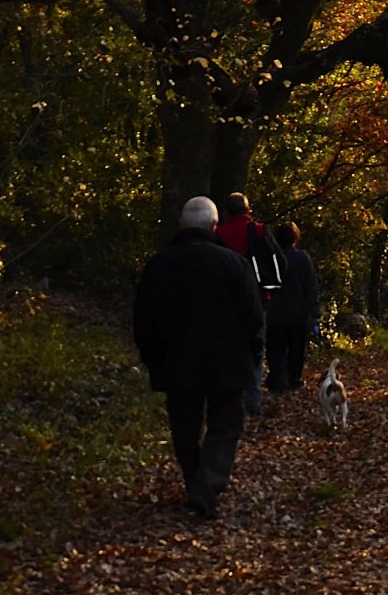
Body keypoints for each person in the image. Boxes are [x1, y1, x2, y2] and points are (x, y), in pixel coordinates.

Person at [132, 196, 265, 520]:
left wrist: (154, 359)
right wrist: (254, 355)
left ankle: (197, 484)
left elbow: (144, 320)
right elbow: (253, 316)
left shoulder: (160, 265)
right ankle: (206, 487)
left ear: (181, 226)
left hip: (178, 363)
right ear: (213, 226)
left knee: (184, 429)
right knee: (225, 426)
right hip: (228, 363)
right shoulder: (234, 265)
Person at [213, 192, 272, 415]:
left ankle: (230, 395)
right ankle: (254, 400)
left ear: (227, 212)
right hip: (258, 297)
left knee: (228, 346)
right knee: (256, 347)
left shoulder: (219, 233)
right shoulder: (259, 231)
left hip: (225, 300)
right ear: (248, 210)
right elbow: (279, 264)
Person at [264, 221, 321, 394]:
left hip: (275, 313)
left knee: (275, 349)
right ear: (296, 237)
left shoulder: (271, 258)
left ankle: (277, 378)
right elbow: (311, 287)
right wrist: (314, 313)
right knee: (296, 349)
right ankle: (293, 378)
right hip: (298, 313)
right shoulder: (303, 258)